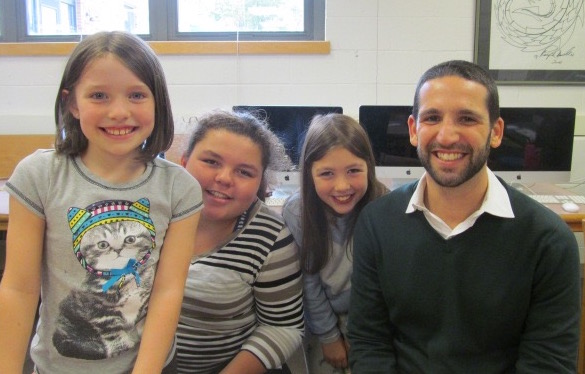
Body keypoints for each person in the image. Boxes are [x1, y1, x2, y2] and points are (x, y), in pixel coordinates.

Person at [347, 60, 581, 373]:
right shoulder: (377, 223)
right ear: (414, 130)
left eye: (467, 118)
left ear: (496, 132)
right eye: (432, 117)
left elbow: (548, 363)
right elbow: (369, 343)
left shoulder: (548, 240)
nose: (446, 136)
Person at [0, 31, 203, 374]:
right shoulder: (39, 175)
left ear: (158, 101)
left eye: (137, 94)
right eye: (99, 95)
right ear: (72, 103)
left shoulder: (179, 188)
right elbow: (19, 288)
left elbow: (168, 292)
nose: (119, 112)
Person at [176, 110, 304, 374]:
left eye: (244, 172)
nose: (224, 178)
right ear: (184, 161)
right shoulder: (149, 215)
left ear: (260, 181)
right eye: (211, 162)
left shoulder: (270, 237)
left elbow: (283, 327)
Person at [282, 113, 388, 373]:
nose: (342, 186)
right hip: (321, 321)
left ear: (369, 167)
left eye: (353, 171)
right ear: (309, 174)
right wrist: (329, 337)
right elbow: (308, 282)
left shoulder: (383, 205)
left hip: (371, 323)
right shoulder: (298, 211)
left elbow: (384, 285)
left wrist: (361, 336)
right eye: (326, 173)